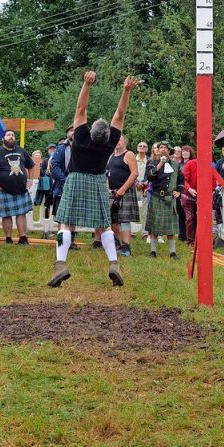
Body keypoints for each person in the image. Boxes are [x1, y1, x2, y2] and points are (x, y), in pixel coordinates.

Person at [47, 72, 137, 287]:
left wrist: (86, 85)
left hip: (76, 180)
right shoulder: (109, 143)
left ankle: (60, 264)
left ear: (91, 130)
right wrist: (126, 90)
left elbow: (80, 109)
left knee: (65, 225)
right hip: (97, 181)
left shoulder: (80, 137)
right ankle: (114, 263)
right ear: (107, 135)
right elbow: (120, 114)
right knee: (104, 226)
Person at [0, 130, 35, 245]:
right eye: (8, 135)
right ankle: (8, 238)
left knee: (21, 213)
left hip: (21, 189)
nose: (11, 137)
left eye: (13, 135)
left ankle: (23, 238)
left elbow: (31, 166)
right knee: (6, 215)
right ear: (3, 139)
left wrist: (30, 180)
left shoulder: (21, 151)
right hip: (3, 189)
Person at [144, 141, 183, 258]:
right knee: (154, 227)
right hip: (156, 197)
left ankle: (172, 252)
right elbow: (150, 176)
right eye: (161, 147)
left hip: (169, 198)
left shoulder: (175, 165)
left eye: (165, 148)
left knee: (171, 229)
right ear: (158, 150)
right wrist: (160, 164)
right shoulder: (151, 163)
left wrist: (179, 191)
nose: (163, 149)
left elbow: (181, 180)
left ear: (169, 151)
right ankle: (153, 251)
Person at [107, 135, 140, 256]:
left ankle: (126, 247)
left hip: (125, 191)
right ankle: (117, 244)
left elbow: (134, 173)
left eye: (119, 140)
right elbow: (107, 173)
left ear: (125, 142)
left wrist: (123, 189)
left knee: (124, 220)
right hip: (112, 191)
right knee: (113, 220)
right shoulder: (111, 156)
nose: (117, 142)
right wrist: (107, 188)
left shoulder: (128, 154)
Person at [179, 145, 198, 247]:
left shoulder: (196, 162)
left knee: (197, 218)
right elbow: (182, 180)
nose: (185, 153)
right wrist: (189, 189)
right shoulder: (180, 164)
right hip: (185, 194)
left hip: (198, 194)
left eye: (187, 151)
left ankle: (197, 238)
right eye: (183, 151)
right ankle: (190, 240)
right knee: (189, 218)